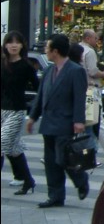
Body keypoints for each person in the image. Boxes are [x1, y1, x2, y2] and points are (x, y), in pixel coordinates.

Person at [26, 34, 91, 208]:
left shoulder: (75, 70)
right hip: (48, 122)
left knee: (63, 159)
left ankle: (81, 180)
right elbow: (40, 97)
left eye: (47, 48)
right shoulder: (48, 70)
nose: (45, 51)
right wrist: (32, 117)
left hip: (66, 121)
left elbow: (79, 97)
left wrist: (79, 121)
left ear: (55, 51)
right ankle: (55, 195)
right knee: (50, 161)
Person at [1, 31, 40, 195]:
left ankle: (27, 180)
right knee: (13, 149)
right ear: (5, 45)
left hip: (17, 111)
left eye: (17, 42)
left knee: (2, 143)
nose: (14, 45)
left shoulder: (26, 66)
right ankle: (29, 181)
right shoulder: (2, 63)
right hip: (1, 110)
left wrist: (33, 109)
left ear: (22, 45)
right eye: (10, 42)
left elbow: (39, 88)